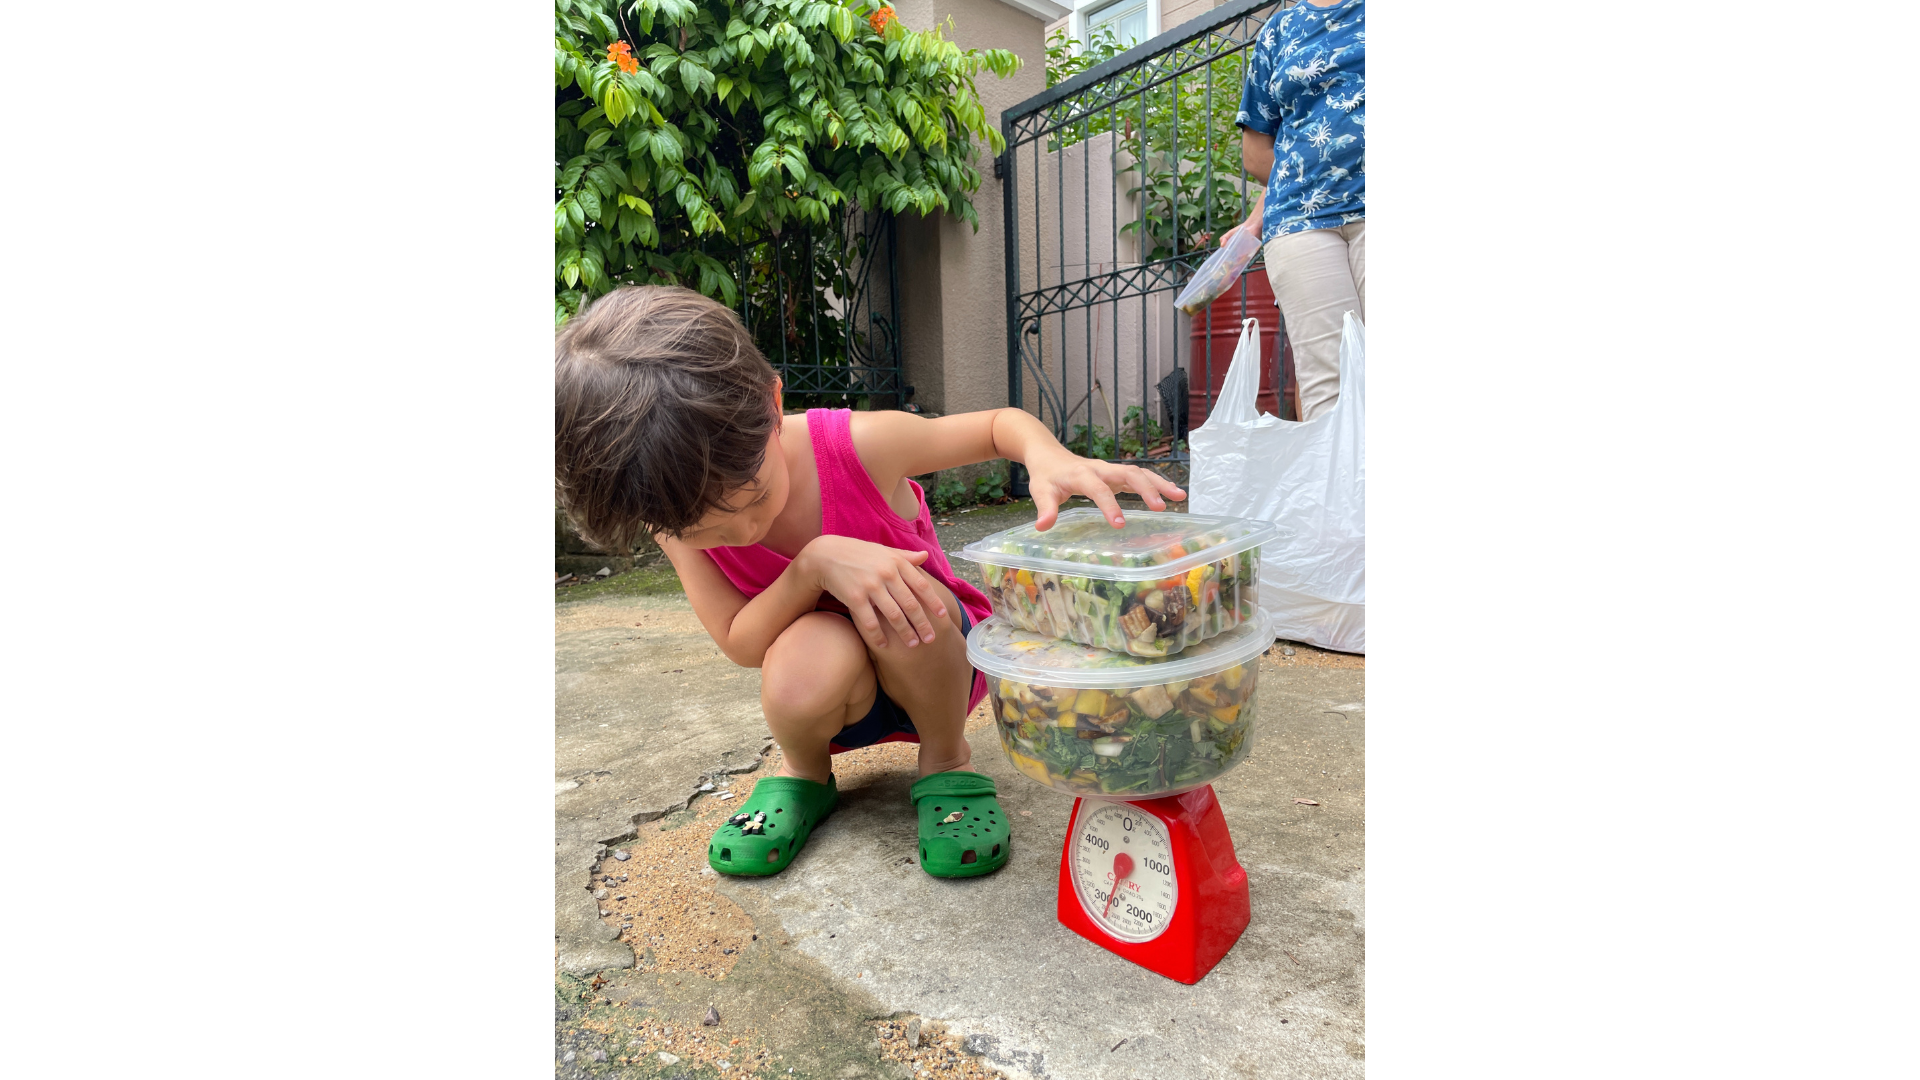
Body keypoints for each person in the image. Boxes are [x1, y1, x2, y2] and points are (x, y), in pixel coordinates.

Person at [554, 285, 1186, 879]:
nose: (744, 532)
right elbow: (742, 642)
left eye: (755, 496)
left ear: (774, 409)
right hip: (834, 691)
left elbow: (997, 427)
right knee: (800, 658)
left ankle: (945, 758)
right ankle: (806, 773)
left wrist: (1052, 457)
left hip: (932, 655)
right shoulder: (668, 515)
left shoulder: (857, 445)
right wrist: (813, 565)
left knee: (899, 598)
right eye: (709, 532)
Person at [1233, 0, 1364, 422]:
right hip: (1300, 224)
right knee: (1327, 386)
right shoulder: (1278, 31)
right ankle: (1341, 490)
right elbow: (1256, 153)